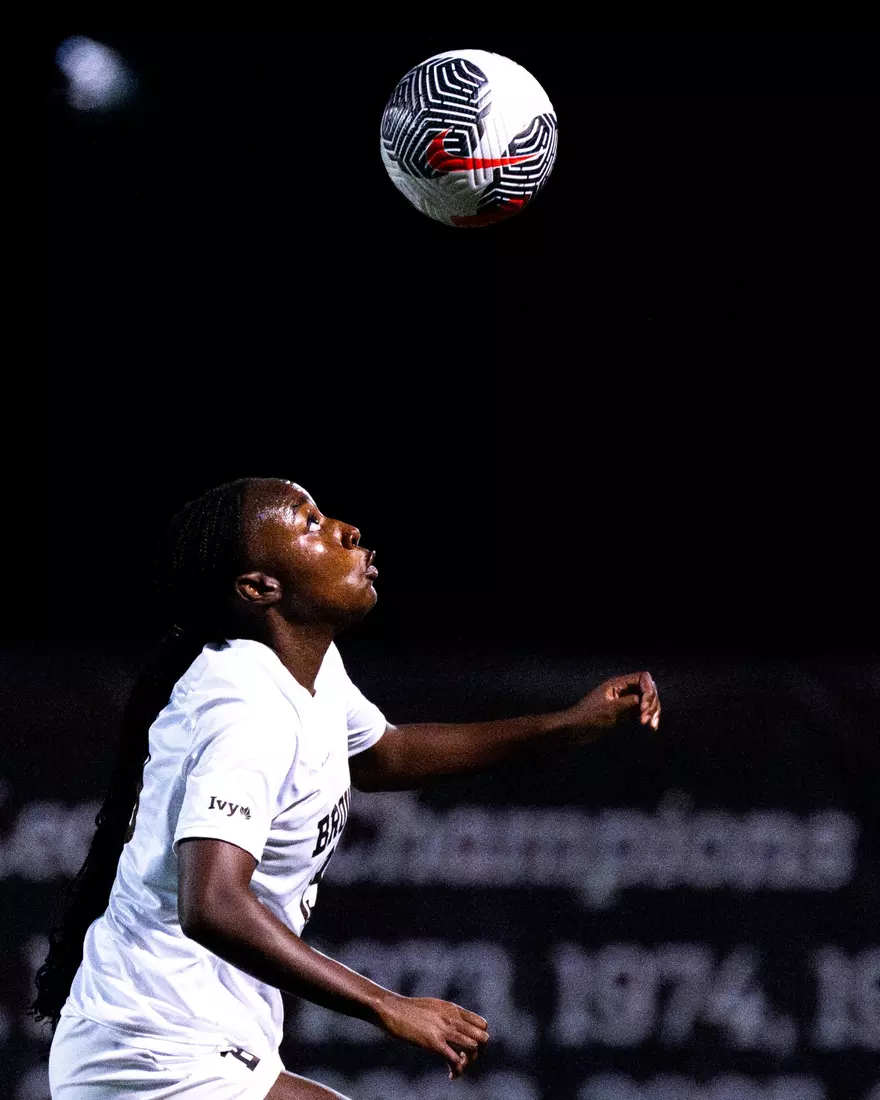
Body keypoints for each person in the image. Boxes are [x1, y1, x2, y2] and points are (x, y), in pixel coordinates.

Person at [32, 476, 661, 1099]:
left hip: (193, 1034)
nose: (346, 531)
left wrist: (566, 725)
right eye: (310, 524)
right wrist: (387, 1005)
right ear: (260, 587)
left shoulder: (308, 669)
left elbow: (387, 753)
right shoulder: (245, 708)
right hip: (149, 1047)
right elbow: (213, 904)